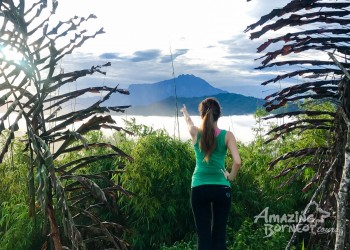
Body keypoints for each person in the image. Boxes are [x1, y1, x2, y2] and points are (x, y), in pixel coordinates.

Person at [181, 97, 241, 250]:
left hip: (199, 187)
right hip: (221, 188)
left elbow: (189, 123)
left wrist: (185, 113)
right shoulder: (227, 136)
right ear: (219, 114)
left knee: (204, 239)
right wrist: (230, 176)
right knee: (219, 239)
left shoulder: (195, 132)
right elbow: (237, 162)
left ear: (202, 115)